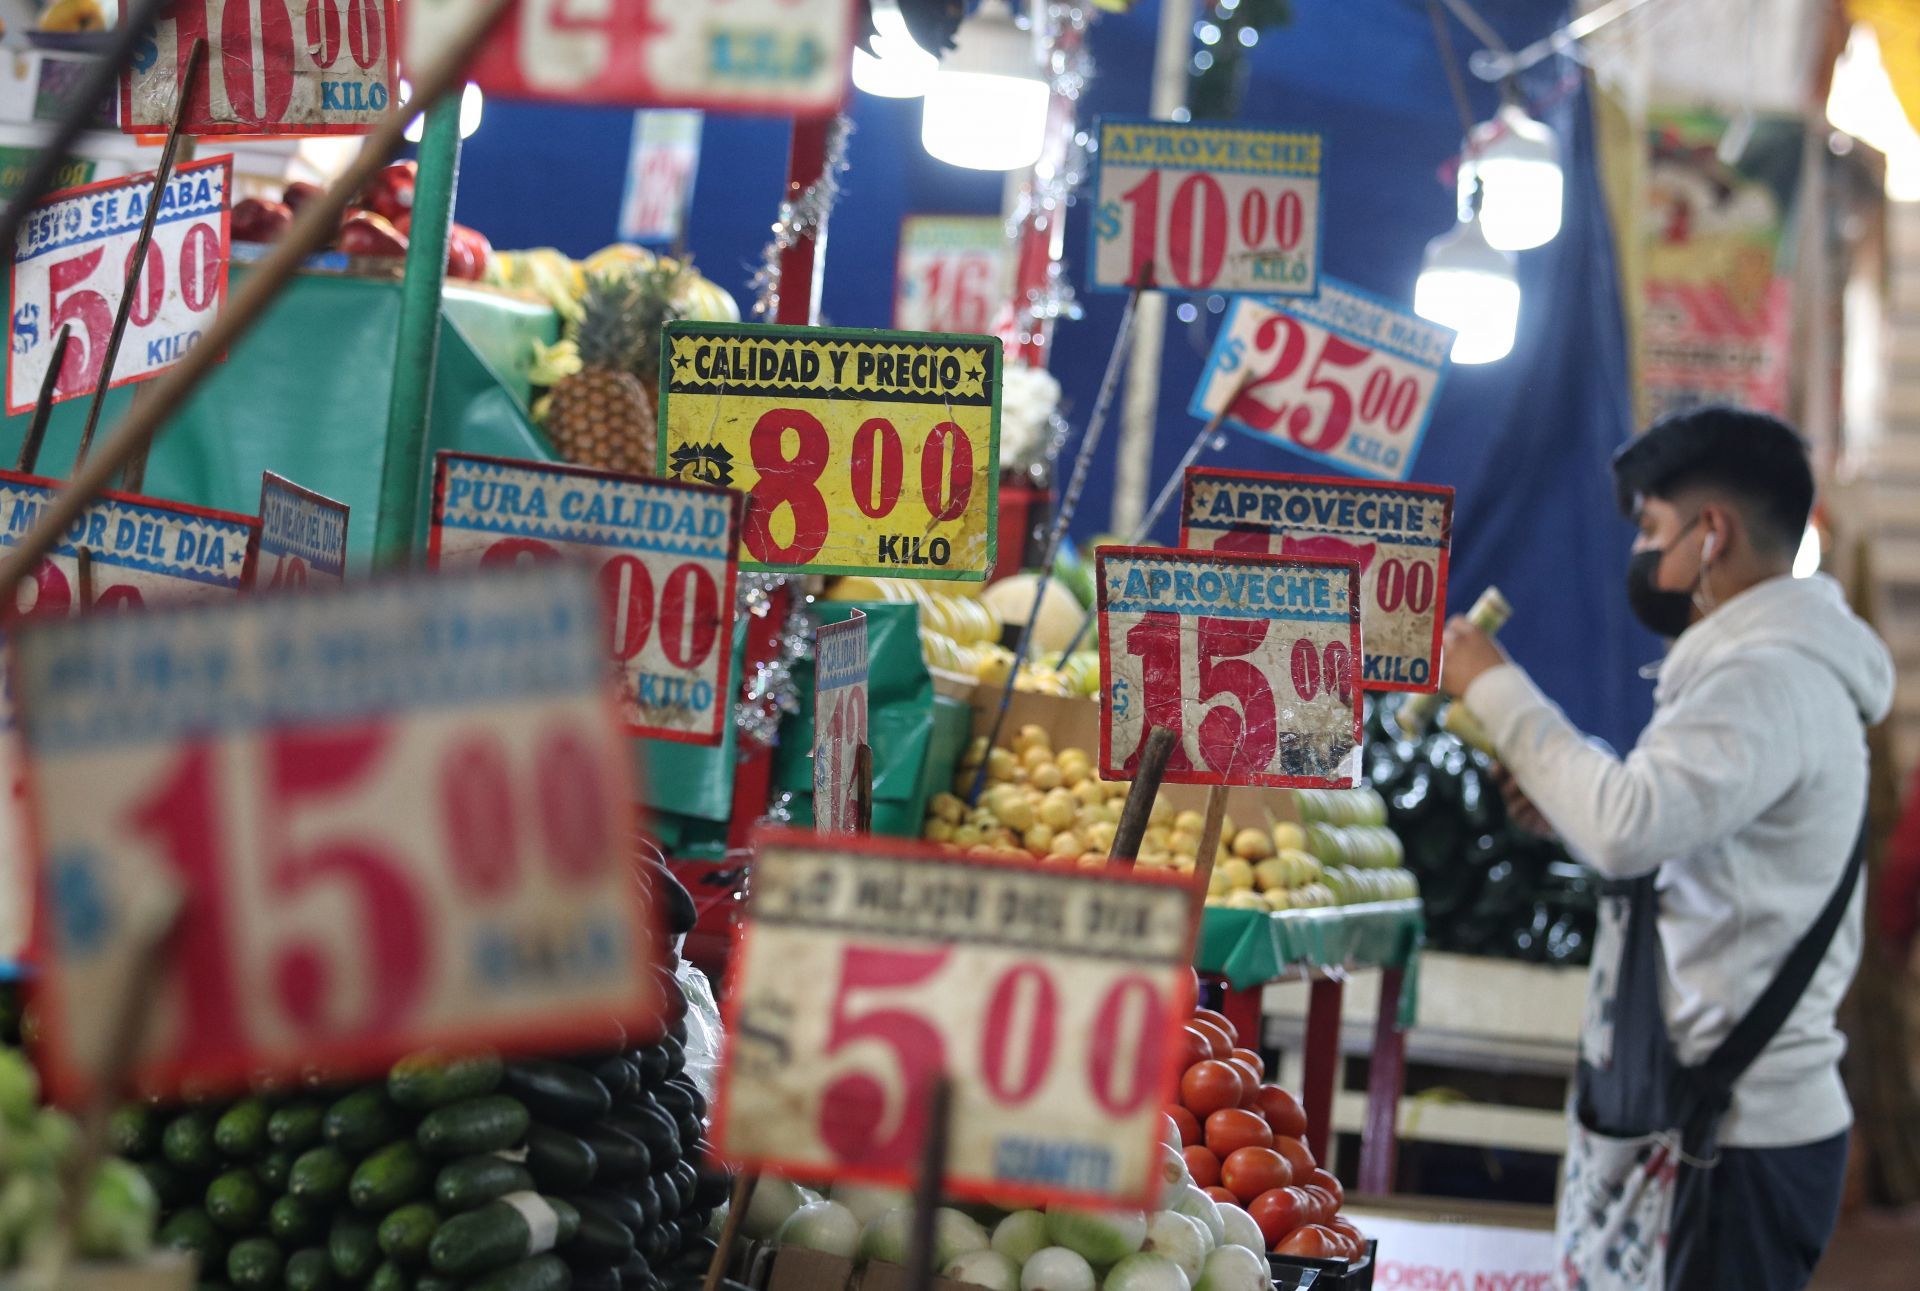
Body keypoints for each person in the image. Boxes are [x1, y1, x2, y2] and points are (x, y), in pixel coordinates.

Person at [1439, 406, 1894, 1291]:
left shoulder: (1765, 676)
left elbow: (1625, 824)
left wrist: (1496, 687)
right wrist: (1565, 803)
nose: (1644, 553)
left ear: (1711, 532)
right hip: (1725, 1119)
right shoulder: (1760, 668)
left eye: (1652, 528)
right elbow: (1683, 843)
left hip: (1737, 1133)